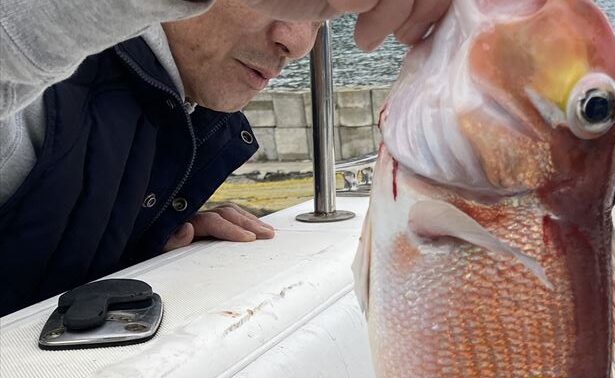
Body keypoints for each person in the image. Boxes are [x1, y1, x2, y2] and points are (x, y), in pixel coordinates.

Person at [0, 0, 450, 316]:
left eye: (317, 20)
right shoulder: (33, 106)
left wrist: (142, 235)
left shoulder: (179, 118)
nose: (297, 42)